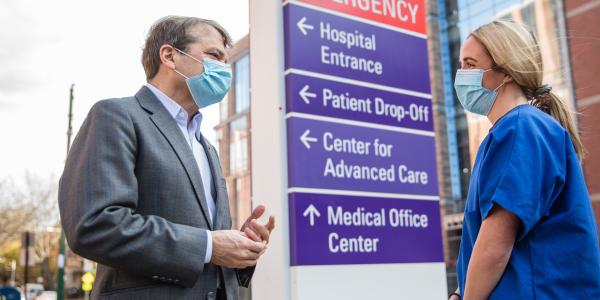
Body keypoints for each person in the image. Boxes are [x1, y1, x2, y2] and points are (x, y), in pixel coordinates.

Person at [58, 16, 275, 300]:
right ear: (170, 56)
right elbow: (95, 225)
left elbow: (211, 252)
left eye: (226, 60)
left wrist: (241, 247)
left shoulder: (206, 146)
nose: (224, 68)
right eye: (214, 56)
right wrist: (209, 244)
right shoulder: (117, 116)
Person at [448, 20, 600, 300]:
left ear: (506, 72)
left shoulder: (521, 129)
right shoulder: (508, 132)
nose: (461, 74)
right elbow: (478, 242)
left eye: (470, 64)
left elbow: (496, 244)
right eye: (460, 64)